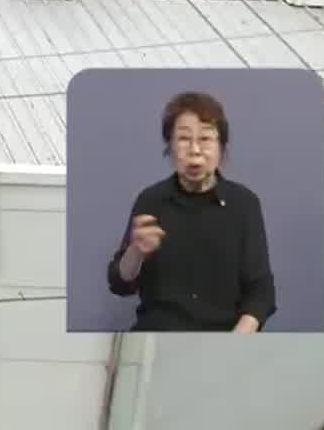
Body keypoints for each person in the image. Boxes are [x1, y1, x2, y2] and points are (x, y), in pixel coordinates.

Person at [106, 90, 275, 333]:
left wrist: (238, 341)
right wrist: (136, 252)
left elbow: (261, 290)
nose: (195, 150)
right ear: (170, 147)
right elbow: (119, 284)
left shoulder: (244, 204)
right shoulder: (152, 200)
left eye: (205, 139)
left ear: (221, 147)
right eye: (184, 139)